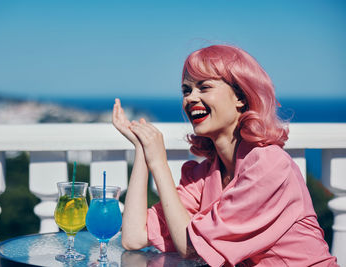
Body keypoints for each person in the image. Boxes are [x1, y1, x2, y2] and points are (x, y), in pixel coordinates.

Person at [112, 44, 338, 266]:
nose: (190, 98)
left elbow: (188, 247)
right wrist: (142, 149)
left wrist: (158, 162)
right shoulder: (205, 176)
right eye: (186, 90)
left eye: (204, 87)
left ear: (240, 96)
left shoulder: (269, 165)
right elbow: (133, 237)